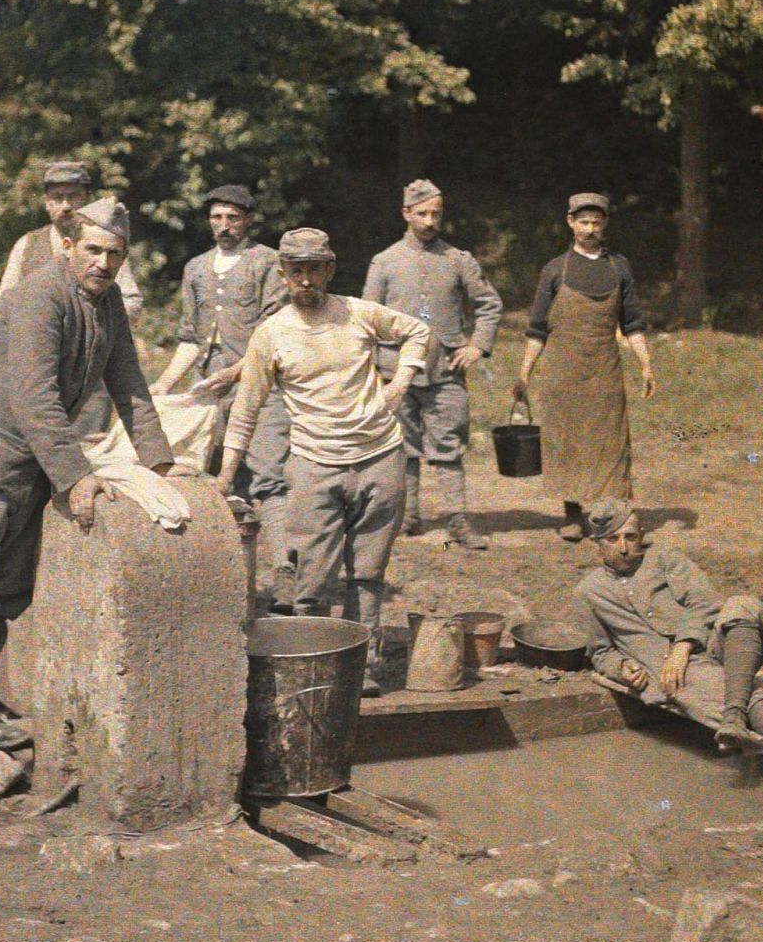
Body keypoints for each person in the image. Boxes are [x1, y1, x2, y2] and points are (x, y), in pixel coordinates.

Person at [0, 197, 174, 765]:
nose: (104, 264)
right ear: (69, 246)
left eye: (115, 254)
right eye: (94, 251)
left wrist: (162, 468)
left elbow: (129, 383)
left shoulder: (107, 306)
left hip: (27, 472)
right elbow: (36, 398)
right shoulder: (39, 295)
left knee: (4, 596)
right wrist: (76, 477)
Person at [221, 227, 431, 697]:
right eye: (297, 270)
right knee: (313, 576)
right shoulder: (271, 333)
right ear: (283, 274)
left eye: (316, 269)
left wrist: (400, 384)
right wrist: (225, 474)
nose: (307, 279)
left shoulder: (357, 313)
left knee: (369, 573)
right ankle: (311, 667)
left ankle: (364, 666)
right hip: (315, 465)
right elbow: (247, 408)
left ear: (330, 270)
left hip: (380, 457)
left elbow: (418, 329)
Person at [574, 498, 763, 752]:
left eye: (630, 537)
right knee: (730, 694)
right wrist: (622, 667)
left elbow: (705, 600)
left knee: (742, 605)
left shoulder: (664, 559)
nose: (623, 548)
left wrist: (682, 647)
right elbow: (601, 653)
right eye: (612, 540)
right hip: (678, 672)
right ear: (597, 544)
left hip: (711, 643)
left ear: (642, 536)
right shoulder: (588, 593)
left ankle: (734, 715)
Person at [152, 183, 289, 567]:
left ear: (247, 220)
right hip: (211, 394)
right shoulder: (195, 269)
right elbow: (191, 339)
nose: (224, 226)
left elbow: (273, 334)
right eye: (216, 218)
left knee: (268, 480)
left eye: (232, 218)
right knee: (210, 483)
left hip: (262, 390)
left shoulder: (267, 263)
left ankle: (285, 577)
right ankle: (220, 575)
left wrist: (232, 373)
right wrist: (165, 383)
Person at [362, 179, 503, 550]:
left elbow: (489, 305)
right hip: (397, 373)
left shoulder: (458, 260)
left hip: (446, 371)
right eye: (421, 213)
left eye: (435, 214)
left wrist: (478, 346)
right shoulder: (385, 262)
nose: (429, 221)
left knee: (448, 447)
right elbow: (367, 318)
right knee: (401, 447)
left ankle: (457, 520)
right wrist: (373, 367)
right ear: (406, 214)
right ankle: (406, 516)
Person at [514, 192, 655, 543]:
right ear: (570, 223)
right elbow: (536, 329)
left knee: (611, 440)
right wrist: (524, 373)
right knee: (566, 439)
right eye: (583, 222)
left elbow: (633, 323)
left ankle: (614, 517)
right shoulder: (554, 270)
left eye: (596, 222)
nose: (590, 229)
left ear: (605, 224)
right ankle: (573, 514)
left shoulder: (619, 268)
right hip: (562, 372)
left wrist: (646, 366)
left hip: (605, 369)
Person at [0, 160, 143, 322]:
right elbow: (4, 306)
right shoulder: (26, 245)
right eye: (58, 198)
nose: (66, 206)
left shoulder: (106, 244)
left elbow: (131, 301)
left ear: (87, 199)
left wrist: (97, 326)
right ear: (47, 202)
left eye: (74, 197)